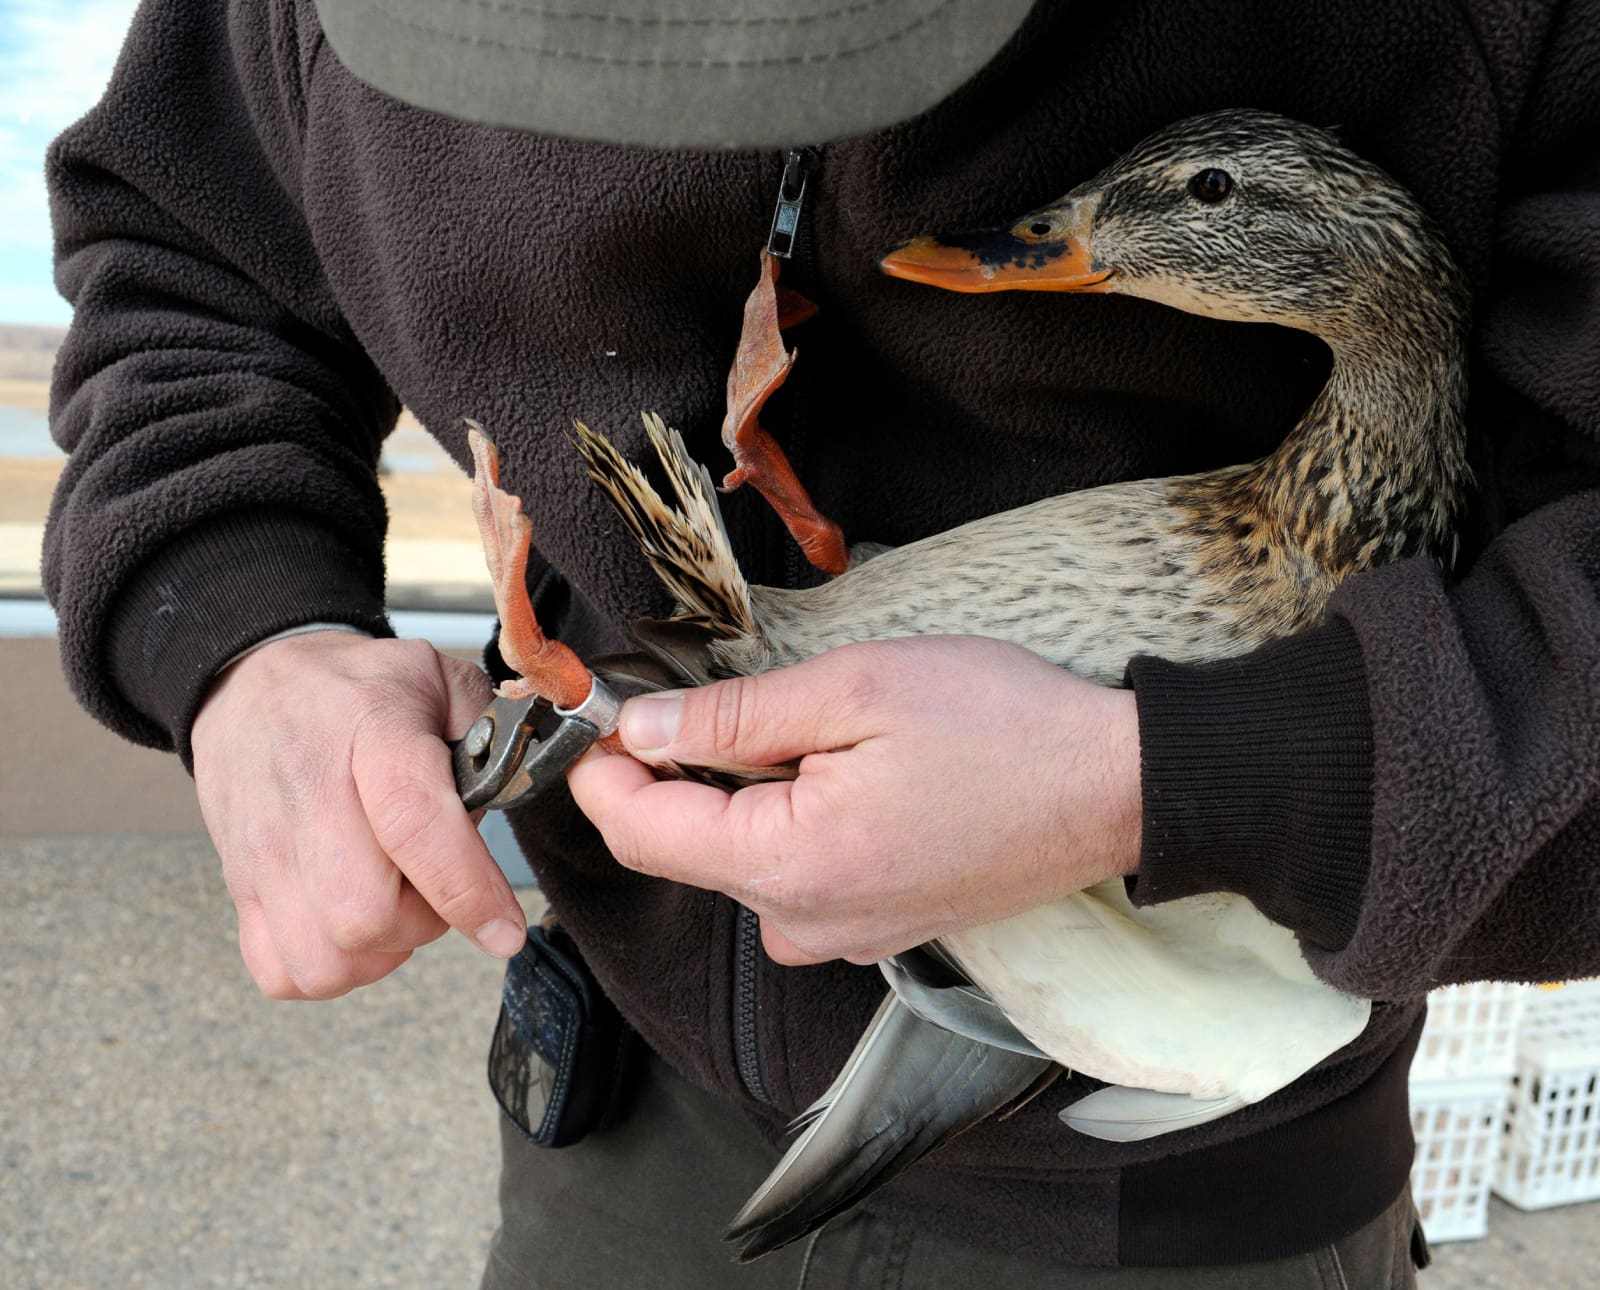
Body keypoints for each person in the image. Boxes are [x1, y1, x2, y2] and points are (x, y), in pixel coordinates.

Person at [43, 0, 1599, 1285]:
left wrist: (1167, 779)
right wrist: (247, 632)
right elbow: (192, 232)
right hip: (620, 1089)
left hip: (1174, 1204)